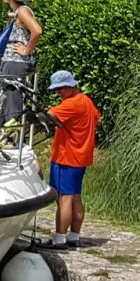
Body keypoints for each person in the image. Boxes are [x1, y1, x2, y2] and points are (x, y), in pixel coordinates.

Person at [43, 70, 99, 249]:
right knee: (75, 197)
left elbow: (47, 115)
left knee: (64, 199)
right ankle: (74, 236)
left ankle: (59, 240)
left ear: (71, 86)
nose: (58, 93)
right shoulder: (86, 101)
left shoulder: (71, 104)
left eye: (61, 89)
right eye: (56, 90)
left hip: (66, 157)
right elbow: (98, 119)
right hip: (81, 156)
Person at [0, 0, 41, 124]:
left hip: (16, 62)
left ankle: (12, 138)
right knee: (5, 98)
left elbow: (37, 30)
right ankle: (2, 134)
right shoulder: (18, 12)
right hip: (12, 61)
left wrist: (26, 50)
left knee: (12, 99)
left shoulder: (22, 11)